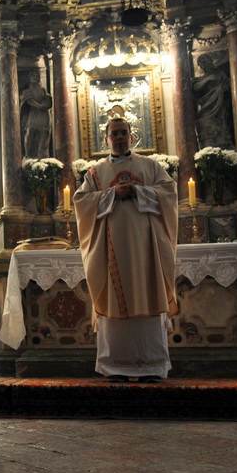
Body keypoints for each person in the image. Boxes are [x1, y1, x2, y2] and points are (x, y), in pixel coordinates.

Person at [73, 118, 178, 383]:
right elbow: (81, 201)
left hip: (147, 253)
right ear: (106, 140)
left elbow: (169, 192)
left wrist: (139, 191)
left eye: (123, 133)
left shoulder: (151, 166)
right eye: (114, 134)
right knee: (112, 302)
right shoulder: (95, 173)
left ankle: (151, 366)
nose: (119, 138)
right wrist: (111, 195)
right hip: (111, 255)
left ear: (132, 138)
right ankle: (115, 366)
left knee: (149, 296)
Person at [192, 54, 233, 149]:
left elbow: (228, 86)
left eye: (206, 61)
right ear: (200, 66)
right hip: (207, 106)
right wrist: (208, 79)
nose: (205, 64)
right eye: (202, 63)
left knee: (221, 123)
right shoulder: (200, 79)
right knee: (203, 121)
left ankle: (223, 144)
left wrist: (223, 89)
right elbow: (196, 87)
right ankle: (207, 146)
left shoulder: (220, 74)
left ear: (211, 61)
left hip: (220, 103)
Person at [20, 70, 53, 160]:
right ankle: (27, 154)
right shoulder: (27, 91)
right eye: (33, 76)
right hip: (34, 113)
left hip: (43, 114)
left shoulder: (43, 90)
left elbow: (48, 98)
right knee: (30, 131)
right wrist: (40, 106)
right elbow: (29, 100)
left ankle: (41, 153)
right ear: (29, 79)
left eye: (37, 76)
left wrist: (46, 104)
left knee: (44, 133)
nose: (35, 78)